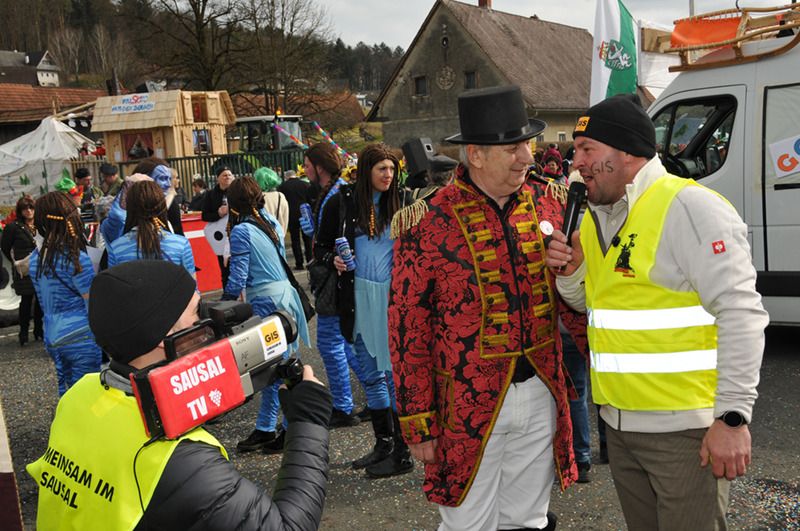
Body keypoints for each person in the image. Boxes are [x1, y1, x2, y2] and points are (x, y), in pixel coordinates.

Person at [545, 93, 768, 531]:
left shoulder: (689, 207)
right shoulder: (596, 216)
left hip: (686, 432)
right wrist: (570, 274)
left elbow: (742, 313)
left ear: (627, 152)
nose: (577, 162)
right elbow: (595, 304)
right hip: (620, 426)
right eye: (576, 150)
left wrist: (732, 417)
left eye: (587, 149)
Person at [389, 85, 582, 531]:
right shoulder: (427, 221)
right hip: (463, 403)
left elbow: (576, 300)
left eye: (527, 144)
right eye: (512, 148)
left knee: (528, 520)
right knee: (467, 524)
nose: (527, 157)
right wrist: (418, 421)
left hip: (541, 392)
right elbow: (407, 329)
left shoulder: (551, 202)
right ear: (475, 155)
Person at [26, 260, 332, 530]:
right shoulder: (180, 463)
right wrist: (308, 419)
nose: (209, 319)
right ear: (165, 337)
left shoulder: (80, 395)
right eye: (198, 311)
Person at [315, 144, 413, 478]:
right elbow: (320, 247)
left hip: (392, 300)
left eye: (392, 169)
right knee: (371, 374)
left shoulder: (404, 201)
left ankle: (402, 452)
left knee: (393, 376)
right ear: (367, 170)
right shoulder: (343, 203)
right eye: (382, 168)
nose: (388, 175)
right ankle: (384, 444)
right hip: (356, 298)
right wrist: (334, 259)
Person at [222, 177, 311, 454]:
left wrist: (224, 304)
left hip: (265, 301)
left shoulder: (241, 231)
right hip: (285, 298)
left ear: (233, 204)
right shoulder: (269, 221)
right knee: (283, 366)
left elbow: (238, 277)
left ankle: (283, 429)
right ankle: (270, 427)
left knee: (274, 369)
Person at [303, 143, 365, 428]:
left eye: (307, 165)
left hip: (335, 280)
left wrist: (325, 254)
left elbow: (332, 242)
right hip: (339, 276)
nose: (305, 171)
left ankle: (343, 406)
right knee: (345, 342)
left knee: (330, 343)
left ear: (320, 167)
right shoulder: (336, 192)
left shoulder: (336, 195)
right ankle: (376, 399)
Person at [29, 192, 102, 396]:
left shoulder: (35, 259)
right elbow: (91, 304)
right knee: (88, 395)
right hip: (81, 335)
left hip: (52, 334)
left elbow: (42, 300)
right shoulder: (77, 258)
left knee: (69, 394)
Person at [106, 180, 196, 278]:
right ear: (162, 206)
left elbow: (114, 286)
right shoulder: (181, 245)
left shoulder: (116, 249)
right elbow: (192, 285)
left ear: (130, 208)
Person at [0, 195, 43, 346]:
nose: (29, 211)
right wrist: (17, 261)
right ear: (20, 211)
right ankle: (23, 333)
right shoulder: (13, 227)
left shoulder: (40, 224)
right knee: (26, 300)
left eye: (31, 208)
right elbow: (5, 247)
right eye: (25, 209)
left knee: (40, 300)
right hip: (23, 270)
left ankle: (39, 330)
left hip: (41, 268)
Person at [202, 166, 235, 288]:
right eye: (224, 175)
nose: (227, 177)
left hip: (236, 233)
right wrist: (218, 214)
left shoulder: (237, 191)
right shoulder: (210, 194)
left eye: (229, 175)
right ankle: (227, 292)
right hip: (221, 237)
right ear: (218, 179)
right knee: (225, 268)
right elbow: (205, 215)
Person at [278, 169, 313, 270]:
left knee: (295, 239)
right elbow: (310, 200)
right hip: (304, 213)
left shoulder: (282, 187)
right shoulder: (305, 184)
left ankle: (299, 263)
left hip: (291, 215)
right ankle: (310, 260)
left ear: (286, 177)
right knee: (307, 239)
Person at [254, 167, 289, 233]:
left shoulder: (255, 197)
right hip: (278, 234)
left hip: (260, 235)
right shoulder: (280, 196)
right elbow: (285, 218)